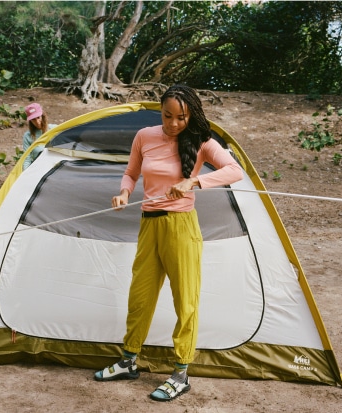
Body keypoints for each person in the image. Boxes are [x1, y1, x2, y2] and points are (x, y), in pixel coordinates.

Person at [94, 84, 244, 401]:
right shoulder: (144, 136)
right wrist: (123, 193)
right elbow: (131, 173)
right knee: (140, 297)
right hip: (149, 225)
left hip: (181, 227)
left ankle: (180, 374)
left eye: (181, 118)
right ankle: (129, 360)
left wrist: (194, 180)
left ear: (191, 115)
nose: (173, 124)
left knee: (185, 301)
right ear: (160, 111)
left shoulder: (202, 141)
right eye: (167, 116)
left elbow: (235, 171)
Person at [22, 103, 57, 170]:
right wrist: (25, 175)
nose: (37, 122)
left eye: (38, 117)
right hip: (39, 168)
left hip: (55, 166)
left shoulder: (54, 129)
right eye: (33, 119)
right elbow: (27, 159)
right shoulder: (28, 136)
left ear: (42, 116)